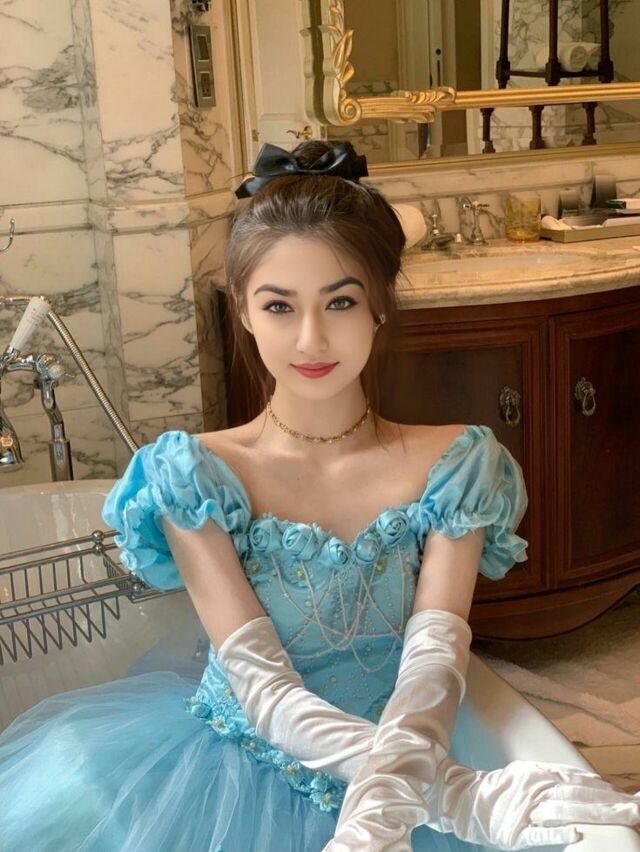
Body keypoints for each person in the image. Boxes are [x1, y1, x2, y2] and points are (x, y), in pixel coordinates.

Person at [0, 139, 638, 852]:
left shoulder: (456, 465)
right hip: (239, 770)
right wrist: (457, 796)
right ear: (244, 311)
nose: (311, 339)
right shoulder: (193, 476)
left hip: (413, 738)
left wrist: (405, 789)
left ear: (380, 306)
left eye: (340, 301)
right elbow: (265, 693)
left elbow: (434, 658)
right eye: (279, 306)